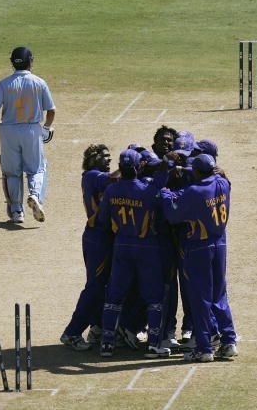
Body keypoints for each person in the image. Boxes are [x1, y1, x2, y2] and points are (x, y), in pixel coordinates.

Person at [160, 154, 238, 362]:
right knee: (219, 296)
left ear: (196, 171)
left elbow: (173, 215)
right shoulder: (223, 184)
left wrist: (166, 193)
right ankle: (229, 341)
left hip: (199, 247)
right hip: (220, 243)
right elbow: (218, 175)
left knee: (200, 298)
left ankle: (204, 348)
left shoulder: (194, 192)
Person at [97, 149, 170, 359]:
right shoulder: (148, 189)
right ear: (139, 167)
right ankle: (154, 344)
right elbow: (162, 186)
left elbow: (103, 219)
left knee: (114, 296)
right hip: (147, 247)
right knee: (154, 297)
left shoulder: (111, 191)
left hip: (121, 246)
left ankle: (107, 344)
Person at [0, 47, 55, 223]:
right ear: (31, 61)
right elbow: (51, 110)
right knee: (37, 168)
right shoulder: (39, 82)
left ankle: (17, 211)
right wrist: (46, 128)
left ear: (12, 63)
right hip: (31, 131)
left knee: (12, 172)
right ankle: (35, 196)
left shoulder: (4, 83)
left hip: (9, 132)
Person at [60, 144, 115, 351]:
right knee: (95, 287)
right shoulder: (92, 175)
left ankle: (97, 327)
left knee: (104, 286)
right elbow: (115, 178)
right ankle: (72, 332)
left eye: (110, 157)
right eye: (104, 157)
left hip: (104, 238)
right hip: (97, 238)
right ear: (93, 159)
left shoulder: (97, 176)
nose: (109, 160)